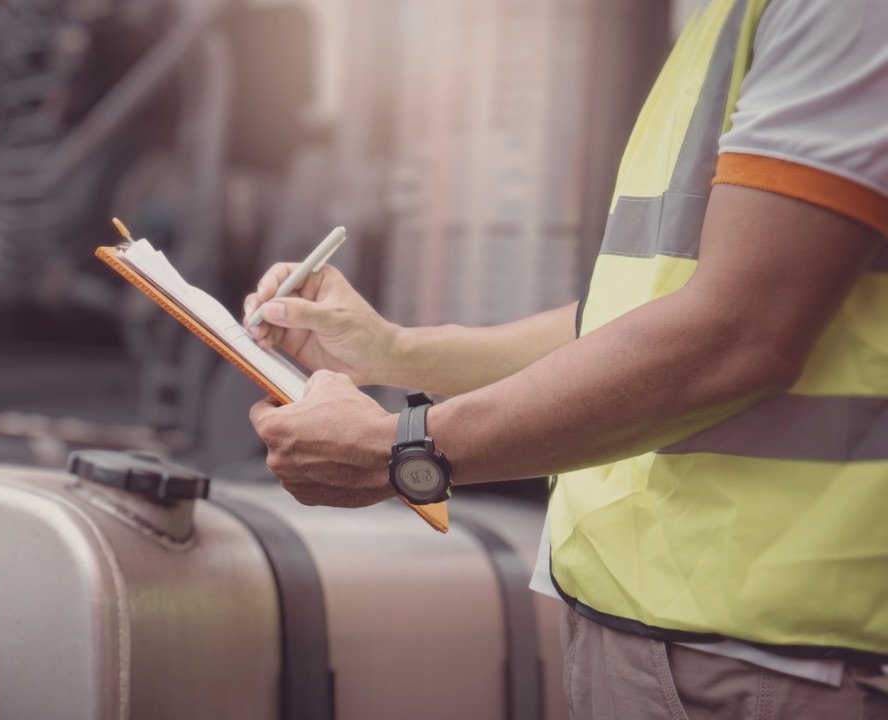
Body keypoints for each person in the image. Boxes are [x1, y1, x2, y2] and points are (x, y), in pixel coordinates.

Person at [243, 0, 888, 717]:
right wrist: (391, 351)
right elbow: (622, 323)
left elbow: (741, 333)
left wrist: (398, 451)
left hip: (772, 652)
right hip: (651, 631)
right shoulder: (727, 21)